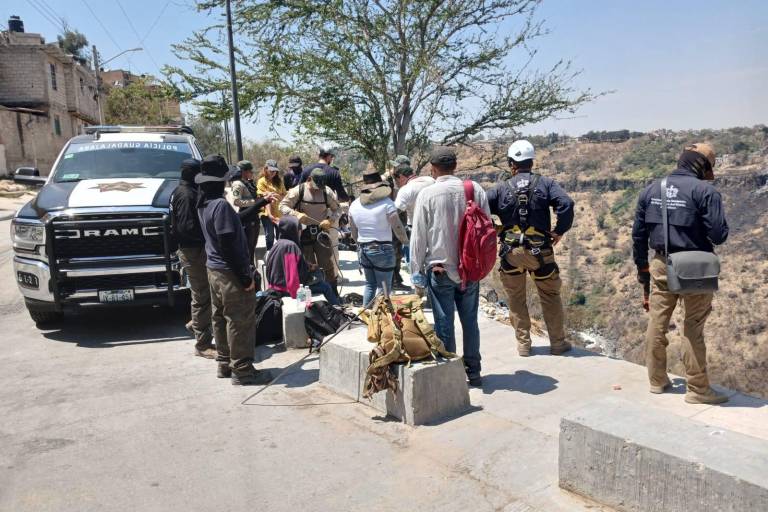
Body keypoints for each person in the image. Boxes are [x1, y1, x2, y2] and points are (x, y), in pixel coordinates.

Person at [632, 143, 729, 405]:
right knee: (692, 327)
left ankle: (656, 381)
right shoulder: (705, 191)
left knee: (657, 323)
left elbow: (638, 238)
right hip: (695, 266)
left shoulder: (650, 190)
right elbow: (719, 235)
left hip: (661, 264)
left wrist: (643, 275)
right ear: (703, 167)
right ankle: (697, 389)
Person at [487, 140, 575, 357]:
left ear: (511, 163)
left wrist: (496, 228)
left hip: (511, 254)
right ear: (531, 161)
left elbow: (479, 209)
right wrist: (559, 231)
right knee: (549, 295)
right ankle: (557, 343)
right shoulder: (545, 184)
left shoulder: (500, 188)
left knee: (516, 297)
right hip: (540, 253)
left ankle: (524, 345)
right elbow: (567, 204)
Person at [410, 146, 489, 387]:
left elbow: (419, 237)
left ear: (433, 169)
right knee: (470, 322)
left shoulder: (427, 194)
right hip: (470, 270)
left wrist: (416, 272)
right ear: (455, 166)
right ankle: (473, 372)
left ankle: (451, 376)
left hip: (440, 270)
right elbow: (487, 230)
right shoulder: (474, 189)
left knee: (444, 324)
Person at [196, 154, 275, 386]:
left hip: (214, 271)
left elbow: (236, 220)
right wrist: (245, 276)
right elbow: (228, 244)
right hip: (229, 272)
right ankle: (243, 370)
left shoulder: (205, 203)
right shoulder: (219, 205)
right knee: (240, 320)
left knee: (220, 317)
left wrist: (261, 203)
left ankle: (225, 362)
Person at [170, 158, 215, 359]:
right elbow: (187, 228)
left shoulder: (181, 191)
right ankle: (202, 344)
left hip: (192, 250)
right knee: (202, 295)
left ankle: (196, 324)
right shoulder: (187, 194)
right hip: (193, 250)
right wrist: (209, 236)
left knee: (205, 293)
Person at [348, 169, 409, 305]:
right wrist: (406, 242)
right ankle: (382, 322)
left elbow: (353, 231)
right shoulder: (387, 203)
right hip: (383, 249)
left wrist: (360, 242)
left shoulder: (354, 205)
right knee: (384, 288)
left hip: (364, 248)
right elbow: (397, 227)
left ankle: (367, 318)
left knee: (370, 285)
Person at [280, 168, 341, 292]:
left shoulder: (326, 192)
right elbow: (282, 206)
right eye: (316, 185)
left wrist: (330, 220)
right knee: (308, 266)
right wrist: (295, 214)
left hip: (321, 233)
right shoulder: (299, 191)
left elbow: (338, 209)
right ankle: (311, 297)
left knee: (328, 265)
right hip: (304, 234)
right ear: (309, 179)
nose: (318, 188)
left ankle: (333, 294)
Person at [265, 216, 341, 305]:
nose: (301, 232)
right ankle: (339, 311)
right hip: (285, 290)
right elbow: (292, 275)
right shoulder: (290, 246)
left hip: (275, 287)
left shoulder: (278, 243)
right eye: (299, 229)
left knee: (319, 275)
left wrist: (307, 265)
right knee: (325, 287)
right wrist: (302, 300)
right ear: (293, 230)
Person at [393, 154, 436, 265]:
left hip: (416, 230)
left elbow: (394, 212)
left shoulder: (405, 190)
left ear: (402, 177)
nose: (396, 183)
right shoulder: (430, 180)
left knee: (417, 264)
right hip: (435, 227)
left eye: (396, 180)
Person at [231, 160, 261, 264]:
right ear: (244, 171)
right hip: (247, 220)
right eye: (249, 171)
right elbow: (236, 201)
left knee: (252, 247)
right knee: (248, 247)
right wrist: (254, 202)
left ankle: (252, 268)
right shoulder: (238, 184)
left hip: (254, 218)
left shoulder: (248, 182)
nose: (251, 173)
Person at [256, 159, 287, 251]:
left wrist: (278, 195)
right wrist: (269, 214)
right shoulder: (261, 181)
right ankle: (270, 255)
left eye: (275, 171)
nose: (274, 173)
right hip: (266, 214)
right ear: (265, 169)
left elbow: (285, 195)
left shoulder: (279, 181)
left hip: (279, 213)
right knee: (269, 236)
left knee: (280, 236)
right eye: (271, 171)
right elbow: (262, 197)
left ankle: (279, 254)